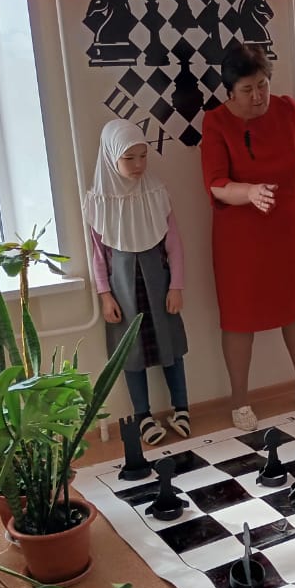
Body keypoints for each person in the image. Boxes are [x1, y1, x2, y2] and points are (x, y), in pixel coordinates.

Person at [200, 42, 295, 431]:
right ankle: (240, 401)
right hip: (240, 239)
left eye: (262, 85)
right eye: (247, 89)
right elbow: (215, 184)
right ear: (230, 91)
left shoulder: (288, 110)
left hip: (290, 230)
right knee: (239, 317)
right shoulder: (216, 122)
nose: (258, 96)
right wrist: (249, 192)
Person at [85, 119, 189, 445]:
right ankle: (143, 415)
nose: (139, 165)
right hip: (123, 292)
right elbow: (98, 256)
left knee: (171, 346)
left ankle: (181, 408)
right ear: (111, 157)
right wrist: (105, 295)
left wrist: (176, 286)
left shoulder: (156, 193)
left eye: (143, 156)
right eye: (129, 158)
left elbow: (174, 245)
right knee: (131, 354)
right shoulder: (99, 202)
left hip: (160, 286)